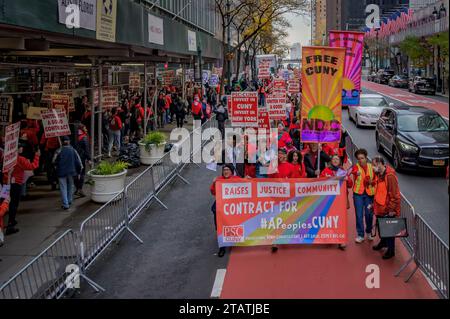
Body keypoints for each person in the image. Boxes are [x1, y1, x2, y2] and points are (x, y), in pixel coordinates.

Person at [4, 144, 40, 235]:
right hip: (16, 184)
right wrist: (37, 156)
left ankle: (10, 221)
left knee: (5, 202)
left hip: (6, 184)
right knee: (14, 204)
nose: (22, 148)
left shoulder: (6, 158)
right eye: (20, 147)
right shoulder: (20, 159)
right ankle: (10, 224)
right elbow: (33, 166)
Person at [371, 156, 401, 259]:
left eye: (374, 165)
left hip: (387, 209)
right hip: (380, 207)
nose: (373, 168)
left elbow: (395, 195)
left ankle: (391, 251)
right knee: (381, 227)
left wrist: (391, 210)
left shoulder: (390, 176)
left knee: (388, 230)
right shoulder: (379, 175)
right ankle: (383, 242)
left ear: (380, 164)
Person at [210, 164, 241, 257]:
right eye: (224, 170)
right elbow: (213, 192)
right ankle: (222, 247)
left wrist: (248, 179)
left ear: (231, 171)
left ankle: (233, 241)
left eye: (228, 170)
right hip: (219, 209)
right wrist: (214, 183)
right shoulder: (219, 180)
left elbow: (247, 184)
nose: (226, 171)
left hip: (231, 209)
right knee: (219, 227)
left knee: (231, 225)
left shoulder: (237, 179)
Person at [350, 149, 376, 243]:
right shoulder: (355, 167)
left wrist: (371, 182)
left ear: (366, 158)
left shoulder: (371, 167)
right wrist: (355, 173)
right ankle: (360, 235)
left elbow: (376, 180)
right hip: (358, 194)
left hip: (369, 194)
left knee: (369, 214)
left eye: (362, 158)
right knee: (359, 215)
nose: (361, 160)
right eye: (359, 158)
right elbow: (352, 172)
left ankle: (368, 232)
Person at [53, 136, 83, 210]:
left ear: (62, 142)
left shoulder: (58, 150)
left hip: (61, 172)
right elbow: (78, 162)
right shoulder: (73, 150)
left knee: (63, 187)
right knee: (70, 186)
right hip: (71, 172)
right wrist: (79, 172)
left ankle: (65, 204)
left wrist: (56, 167)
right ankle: (69, 200)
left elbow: (53, 161)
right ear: (69, 141)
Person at [74, 124, 91, 198]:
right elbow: (86, 150)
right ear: (82, 129)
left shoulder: (75, 136)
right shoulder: (84, 137)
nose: (86, 129)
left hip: (74, 158)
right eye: (85, 127)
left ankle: (77, 188)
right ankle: (79, 189)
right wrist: (89, 159)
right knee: (82, 173)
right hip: (81, 158)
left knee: (76, 173)